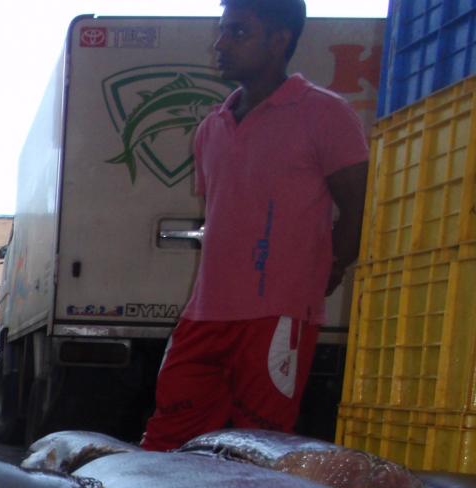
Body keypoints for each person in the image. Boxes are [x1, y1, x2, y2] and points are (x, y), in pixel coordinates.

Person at [139, 0, 367, 451]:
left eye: (238, 33)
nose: (221, 44)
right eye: (222, 31)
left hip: (277, 316)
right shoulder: (211, 127)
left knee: (257, 449)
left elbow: (359, 207)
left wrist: (326, 270)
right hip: (204, 314)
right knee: (167, 440)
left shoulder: (325, 113)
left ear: (279, 40)